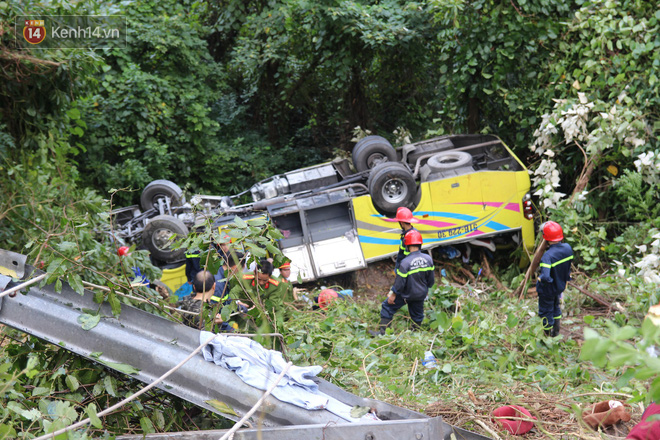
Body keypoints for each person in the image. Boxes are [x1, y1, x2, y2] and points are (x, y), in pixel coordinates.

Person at [370, 229, 434, 335]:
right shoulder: (428, 259)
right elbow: (431, 280)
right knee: (417, 315)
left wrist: (393, 294)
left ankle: (383, 333)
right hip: (420, 294)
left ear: (407, 245)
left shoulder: (405, 262)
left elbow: (400, 283)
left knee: (387, 306)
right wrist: (426, 290)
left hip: (407, 294)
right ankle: (416, 335)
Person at [536, 221, 574, 337]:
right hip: (559, 286)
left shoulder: (547, 256)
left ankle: (546, 336)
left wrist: (541, 280)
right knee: (555, 307)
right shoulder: (568, 248)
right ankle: (556, 333)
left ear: (545, 237)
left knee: (545, 311)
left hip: (548, 290)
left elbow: (546, 276)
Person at [384, 207, 420, 271]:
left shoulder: (412, 235)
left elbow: (411, 255)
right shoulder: (407, 234)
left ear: (401, 223)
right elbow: (401, 253)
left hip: (408, 267)